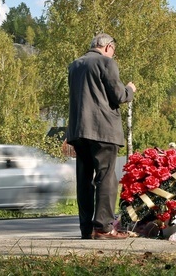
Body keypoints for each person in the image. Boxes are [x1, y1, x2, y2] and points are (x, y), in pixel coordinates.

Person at [66, 33, 136, 240]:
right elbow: (119, 95)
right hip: (103, 130)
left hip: (79, 130)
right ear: (107, 47)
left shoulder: (75, 66)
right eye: (113, 50)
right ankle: (104, 227)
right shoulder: (106, 63)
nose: (113, 54)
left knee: (84, 179)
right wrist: (130, 90)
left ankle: (86, 229)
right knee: (106, 177)